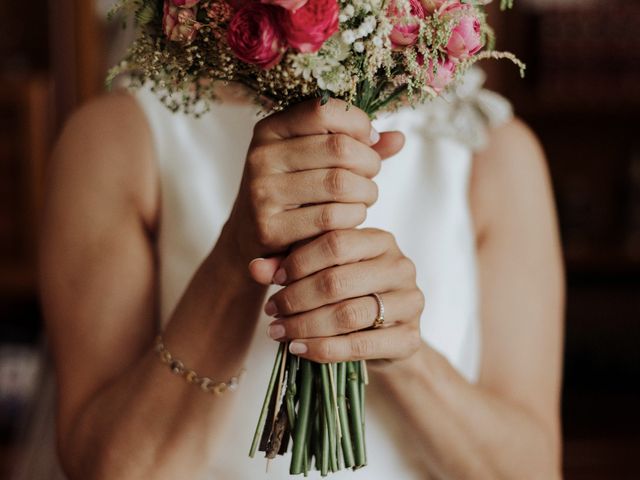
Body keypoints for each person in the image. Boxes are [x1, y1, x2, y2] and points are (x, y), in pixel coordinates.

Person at [16, 69, 564, 479]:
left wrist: (401, 351)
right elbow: (106, 469)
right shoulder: (116, 138)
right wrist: (237, 256)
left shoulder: (490, 150)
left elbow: (531, 468)